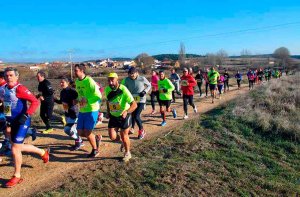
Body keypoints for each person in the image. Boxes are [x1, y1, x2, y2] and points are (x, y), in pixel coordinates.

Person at [3, 67, 49, 188]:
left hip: (23, 121)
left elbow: (35, 102)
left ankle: (17, 176)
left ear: (17, 77)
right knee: (17, 146)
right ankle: (42, 152)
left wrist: (26, 114)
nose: (9, 78)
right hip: (12, 121)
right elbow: (6, 103)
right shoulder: (3, 89)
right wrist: (7, 119)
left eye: (11, 75)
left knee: (15, 148)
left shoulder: (20, 88)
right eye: (6, 75)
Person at [105, 73, 137, 162]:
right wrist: (108, 112)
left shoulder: (123, 89)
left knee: (124, 135)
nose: (110, 83)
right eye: (109, 80)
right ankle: (123, 142)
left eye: (112, 80)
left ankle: (127, 153)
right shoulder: (107, 89)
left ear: (117, 80)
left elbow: (134, 105)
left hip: (124, 116)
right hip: (113, 116)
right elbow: (108, 101)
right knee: (112, 137)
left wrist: (126, 111)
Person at [74, 63, 102, 158]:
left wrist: (88, 100)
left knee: (87, 132)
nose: (74, 72)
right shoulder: (77, 82)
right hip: (82, 110)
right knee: (79, 132)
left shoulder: (89, 81)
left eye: (76, 70)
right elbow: (80, 95)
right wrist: (77, 100)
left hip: (92, 109)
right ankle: (97, 138)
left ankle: (95, 150)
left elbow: (98, 95)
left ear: (82, 71)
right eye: (74, 70)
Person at [54, 77, 83, 150]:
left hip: (74, 113)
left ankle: (78, 141)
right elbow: (61, 102)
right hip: (67, 113)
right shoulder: (62, 92)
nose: (61, 84)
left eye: (62, 82)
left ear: (68, 83)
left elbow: (78, 100)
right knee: (73, 130)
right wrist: (54, 99)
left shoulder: (72, 91)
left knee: (67, 130)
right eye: (60, 82)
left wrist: (73, 103)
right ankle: (80, 141)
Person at [121, 67, 151, 139]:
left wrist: (144, 91)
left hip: (141, 99)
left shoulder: (142, 78)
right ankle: (132, 128)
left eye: (133, 73)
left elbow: (149, 85)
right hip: (131, 100)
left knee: (136, 115)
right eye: (130, 74)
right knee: (133, 114)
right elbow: (121, 87)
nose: (131, 75)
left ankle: (141, 130)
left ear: (137, 73)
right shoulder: (126, 80)